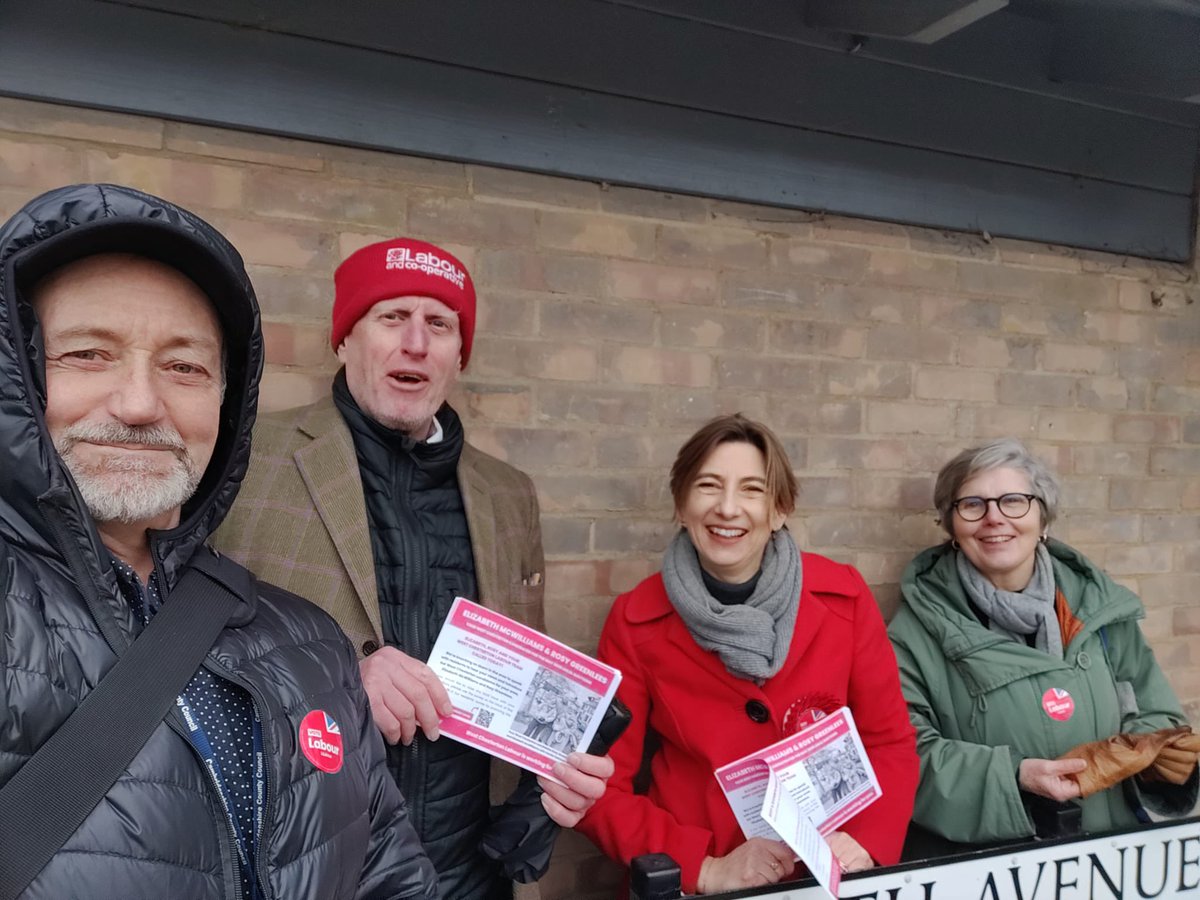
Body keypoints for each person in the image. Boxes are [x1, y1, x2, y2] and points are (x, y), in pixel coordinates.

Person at [0, 184, 437, 898]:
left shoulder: (310, 642)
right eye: (86, 354)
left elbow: (387, 872)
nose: (141, 404)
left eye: (185, 367)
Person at [214, 237, 613, 898]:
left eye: (439, 325)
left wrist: (553, 780)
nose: (416, 343)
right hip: (306, 863)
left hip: (468, 872)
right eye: (391, 317)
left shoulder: (509, 494)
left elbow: (520, 690)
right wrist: (339, 681)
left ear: (460, 355)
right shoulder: (249, 459)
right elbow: (186, 642)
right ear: (345, 339)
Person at [576, 414, 918, 895]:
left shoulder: (843, 599)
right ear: (681, 504)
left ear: (779, 510)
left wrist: (863, 840)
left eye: (753, 490)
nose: (728, 508)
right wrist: (703, 868)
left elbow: (890, 743)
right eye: (709, 486)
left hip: (821, 873)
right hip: (704, 878)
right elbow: (600, 787)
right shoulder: (637, 621)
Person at [888, 438, 1198, 854]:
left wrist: (1154, 756)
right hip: (998, 872)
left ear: (1043, 518)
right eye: (973, 505)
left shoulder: (1100, 609)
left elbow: (1156, 711)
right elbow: (903, 756)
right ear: (952, 526)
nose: (994, 518)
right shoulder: (915, 632)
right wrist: (1013, 776)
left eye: (1014, 501)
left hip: (1112, 857)